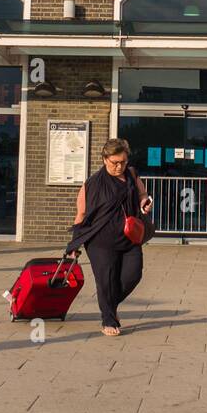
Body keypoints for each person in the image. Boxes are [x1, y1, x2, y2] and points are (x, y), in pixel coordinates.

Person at [68, 138, 152, 337]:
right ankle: (108, 319)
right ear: (105, 159)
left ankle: (109, 305)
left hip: (129, 238)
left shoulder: (131, 174)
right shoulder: (92, 184)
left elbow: (143, 194)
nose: (119, 166)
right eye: (115, 162)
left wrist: (144, 202)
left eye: (123, 161)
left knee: (133, 275)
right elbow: (81, 215)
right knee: (105, 281)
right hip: (100, 242)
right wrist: (74, 244)